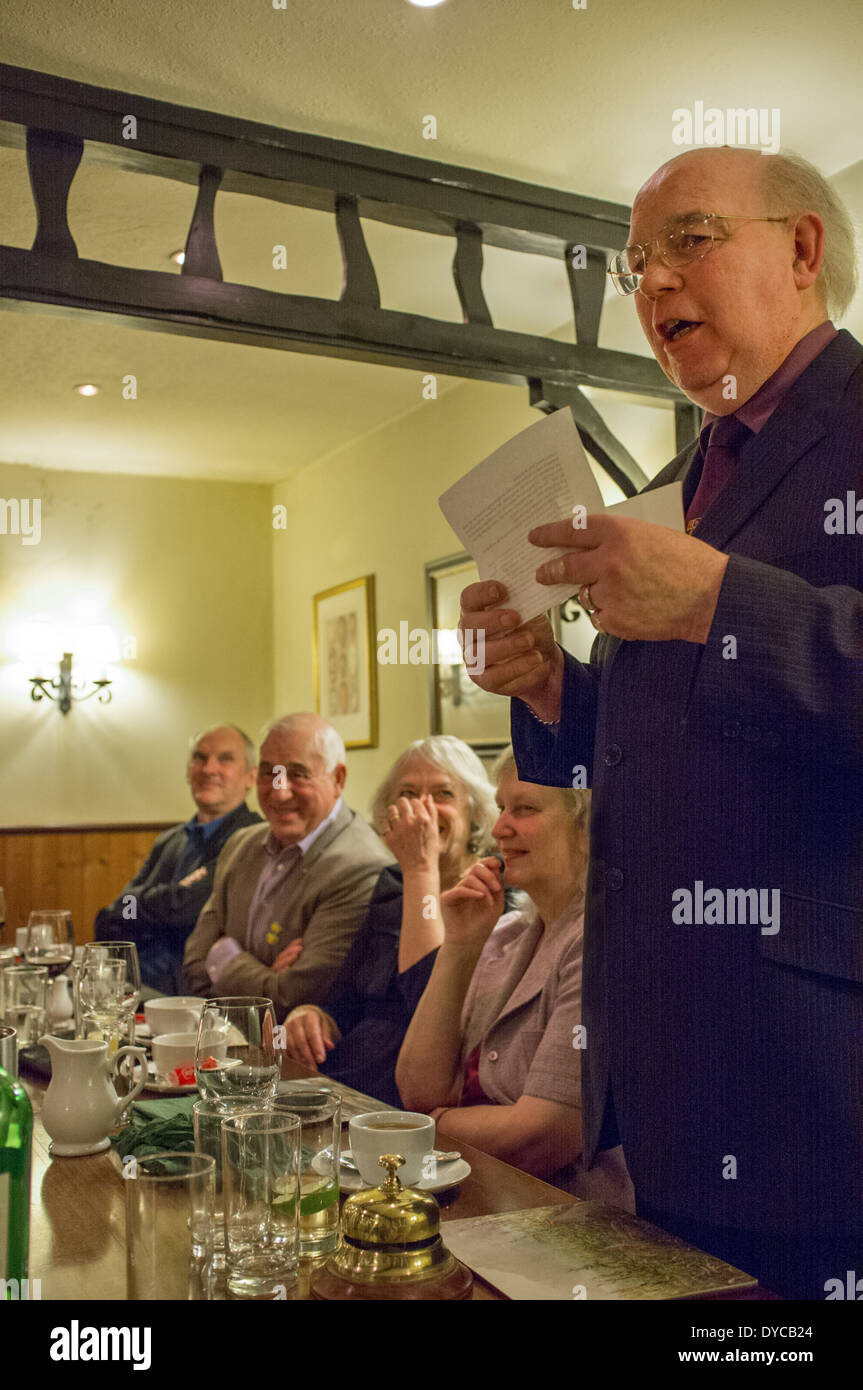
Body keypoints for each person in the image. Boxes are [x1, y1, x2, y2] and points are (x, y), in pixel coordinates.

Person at [458, 147, 862, 1299]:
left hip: (814, 1083)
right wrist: (549, 687)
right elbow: (657, 742)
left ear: (800, 249)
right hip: (657, 1086)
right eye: (633, 265)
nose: (648, 287)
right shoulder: (688, 476)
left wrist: (719, 603)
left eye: (688, 240)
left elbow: (734, 637)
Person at [395, 748, 634, 1205]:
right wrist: (459, 948)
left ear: (587, 829)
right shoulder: (506, 931)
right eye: (501, 808)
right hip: (474, 1192)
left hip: (565, 1221)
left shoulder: (605, 938)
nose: (500, 828)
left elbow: (541, 1136)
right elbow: (417, 1088)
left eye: (524, 809)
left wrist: (431, 1128)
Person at [279, 735, 503, 1105]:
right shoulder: (391, 887)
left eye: (443, 794)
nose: (423, 808)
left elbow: (425, 1001)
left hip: (413, 1105)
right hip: (345, 1085)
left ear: (475, 812)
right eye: (409, 794)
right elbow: (344, 998)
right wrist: (313, 1015)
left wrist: (420, 868)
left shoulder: (490, 894)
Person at [182, 712, 394, 1014]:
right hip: (220, 1043)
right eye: (269, 773)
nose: (279, 793)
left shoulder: (361, 867)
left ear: (338, 779)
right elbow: (194, 963)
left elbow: (291, 998)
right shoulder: (240, 845)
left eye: (298, 774)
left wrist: (225, 958)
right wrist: (265, 976)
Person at [94, 725, 261, 993]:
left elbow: (183, 910)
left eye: (225, 759)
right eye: (200, 758)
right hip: (137, 982)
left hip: (196, 993)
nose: (209, 769)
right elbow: (119, 910)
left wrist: (143, 903)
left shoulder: (252, 839)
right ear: (188, 771)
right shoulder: (169, 841)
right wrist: (158, 901)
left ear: (251, 777)